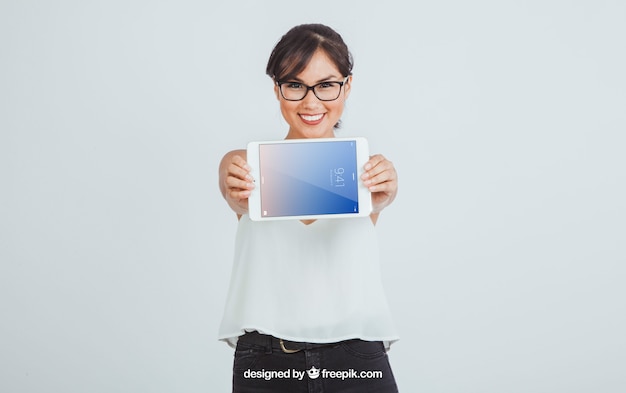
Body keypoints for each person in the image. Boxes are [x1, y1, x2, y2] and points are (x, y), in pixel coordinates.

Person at [218, 23, 400, 393]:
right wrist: (234, 187)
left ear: (347, 86)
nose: (311, 102)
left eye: (326, 85)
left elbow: (379, 201)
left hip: (357, 360)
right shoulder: (246, 166)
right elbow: (234, 192)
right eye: (295, 85)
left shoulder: (366, 171)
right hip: (266, 365)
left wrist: (383, 197)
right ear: (277, 89)